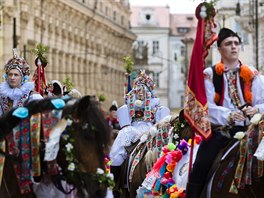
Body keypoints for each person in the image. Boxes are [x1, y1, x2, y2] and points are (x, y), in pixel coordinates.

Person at [186, 28, 264, 197]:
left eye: (236, 43)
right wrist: (228, 115)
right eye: (228, 44)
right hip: (222, 132)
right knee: (202, 163)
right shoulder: (210, 75)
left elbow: (263, 102)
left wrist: (256, 109)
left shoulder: (253, 75)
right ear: (219, 49)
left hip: (251, 131)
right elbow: (206, 107)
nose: (234, 47)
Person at [110, 70, 170, 195]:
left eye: (144, 89)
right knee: (118, 151)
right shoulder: (130, 101)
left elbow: (161, 122)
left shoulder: (156, 104)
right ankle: (115, 184)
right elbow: (125, 121)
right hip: (133, 129)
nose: (141, 92)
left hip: (150, 130)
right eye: (138, 89)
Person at [0, 49, 43, 116]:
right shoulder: (2, 95)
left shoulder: (32, 96)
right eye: (10, 74)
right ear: (6, 76)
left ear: (22, 78)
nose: (12, 78)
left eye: (16, 75)